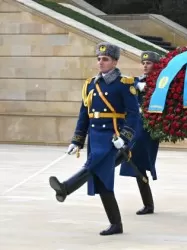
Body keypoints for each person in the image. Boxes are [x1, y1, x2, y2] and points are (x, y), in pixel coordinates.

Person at [48, 42, 140, 236]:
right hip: (95, 136)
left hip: (112, 138)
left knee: (93, 165)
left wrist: (125, 137)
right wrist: (77, 140)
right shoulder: (91, 84)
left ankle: (66, 187)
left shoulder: (124, 84)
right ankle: (116, 224)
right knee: (102, 180)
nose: (101, 62)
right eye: (99, 59)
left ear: (114, 61)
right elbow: (85, 114)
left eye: (105, 59)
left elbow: (133, 114)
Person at [117, 51, 161, 215]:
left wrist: (150, 86)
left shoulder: (161, 82)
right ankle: (148, 204)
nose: (145, 65)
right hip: (136, 124)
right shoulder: (136, 81)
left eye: (149, 63)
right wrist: (136, 85)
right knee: (137, 165)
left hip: (149, 126)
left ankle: (148, 204)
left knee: (132, 155)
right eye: (144, 63)